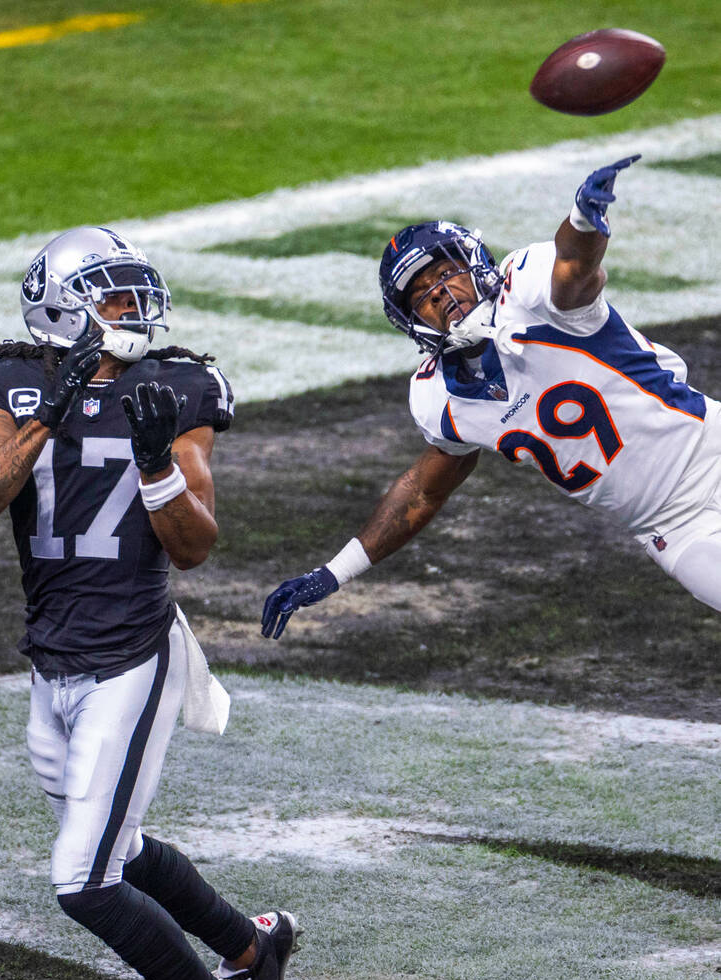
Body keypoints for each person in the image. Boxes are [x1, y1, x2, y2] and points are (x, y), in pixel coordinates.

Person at [0, 225, 299, 980]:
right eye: (112, 297)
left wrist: (154, 465)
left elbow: (195, 547)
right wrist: (50, 411)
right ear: (61, 308)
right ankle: (252, 949)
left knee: (84, 879)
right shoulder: (15, 383)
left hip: (131, 656)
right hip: (52, 655)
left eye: (138, 295)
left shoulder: (178, 387)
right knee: (122, 847)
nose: (134, 313)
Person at [261, 155, 721, 639]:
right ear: (412, 320)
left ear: (473, 262)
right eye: (421, 294)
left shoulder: (525, 290)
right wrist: (335, 571)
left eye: (444, 274)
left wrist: (584, 220)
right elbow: (423, 490)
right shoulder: (439, 398)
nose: (439, 293)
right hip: (674, 528)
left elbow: (575, 268)